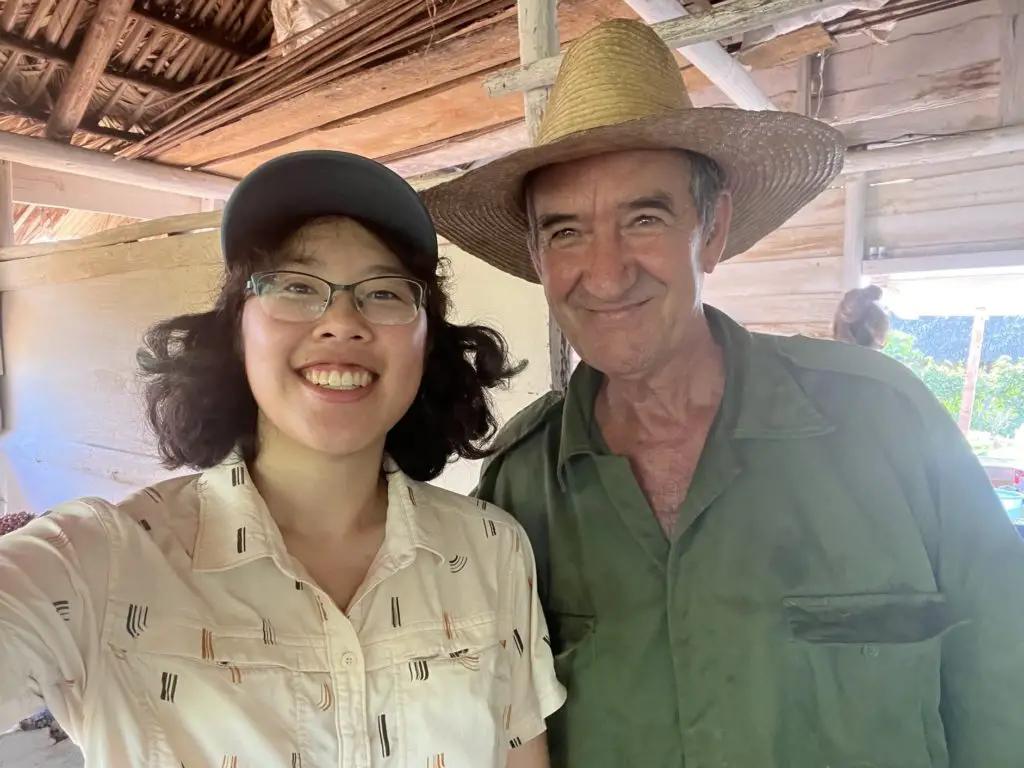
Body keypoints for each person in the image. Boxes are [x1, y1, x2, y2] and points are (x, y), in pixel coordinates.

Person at [423, 18, 1024, 768]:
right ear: (539, 257)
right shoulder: (518, 491)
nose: (605, 275)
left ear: (714, 229)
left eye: (645, 218)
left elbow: (1005, 683)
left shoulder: (884, 422)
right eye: (567, 232)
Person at [0, 150, 565, 767]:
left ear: (428, 345)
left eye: (383, 293)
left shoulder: (491, 549)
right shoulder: (101, 561)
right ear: (236, 333)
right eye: (296, 287)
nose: (342, 321)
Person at [833, 283, 890, 348]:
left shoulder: (879, 316)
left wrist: (872, 330)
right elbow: (837, 336)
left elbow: (881, 341)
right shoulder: (842, 315)